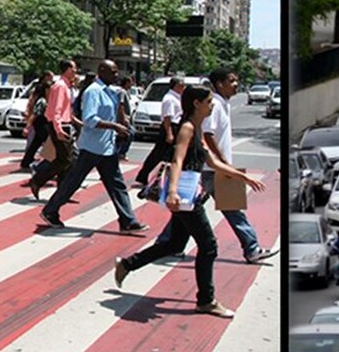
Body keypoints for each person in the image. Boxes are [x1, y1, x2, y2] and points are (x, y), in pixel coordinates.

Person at [114, 85, 266, 318]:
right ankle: (206, 300)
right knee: (209, 246)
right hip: (184, 196)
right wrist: (173, 191)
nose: (212, 104)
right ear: (196, 103)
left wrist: (241, 176)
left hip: (190, 195)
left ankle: (127, 264)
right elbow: (177, 160)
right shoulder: (186, 128)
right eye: (208, 101)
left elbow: (212, 162)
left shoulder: (196, 129)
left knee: (174, 244)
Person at [154, 68, 278, 263]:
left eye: (237, 80)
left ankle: (166, 243)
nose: (236, 84)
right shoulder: (214, 105)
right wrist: (223, 163)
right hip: (210, 170)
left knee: (188, 209)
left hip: (212, 168)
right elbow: (207, 136)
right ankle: (251, 248)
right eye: (232, 80)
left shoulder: (220, 104)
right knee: (231, 208)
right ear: (220, 84)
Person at [38, 60, 149, 233]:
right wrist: (114, 127)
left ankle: (128, 220)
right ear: (102, 71)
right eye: (113, 72)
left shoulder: (111, 92)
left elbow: (115, 112)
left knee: (117, 184)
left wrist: (121, 121)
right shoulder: (93, 92)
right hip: (91, 147)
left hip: (107, 147)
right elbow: (90, 119)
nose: (116, 75)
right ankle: (50, 210)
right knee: (73, 181)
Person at [28, 60, 79, 199]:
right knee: (66, 160)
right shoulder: (61, 86)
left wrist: (76, 122)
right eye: (74, 69)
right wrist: (58, 129)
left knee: (67, 159)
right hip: (59, 125)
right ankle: (38, 180)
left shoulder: (65, 86)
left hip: (64, 125)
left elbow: (64, 109)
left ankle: (61, 193)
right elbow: (56, 110)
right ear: (68, 69)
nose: (76, 72)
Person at [136, 77, 185, 186]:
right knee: (158, 154)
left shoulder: (177, 97)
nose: (183, 87)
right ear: (175, 85)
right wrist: (169, 133)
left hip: (176, 126)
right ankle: (143, 176)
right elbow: (167, 118)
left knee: (171, 155)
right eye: (181, 85)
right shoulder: (170, 98)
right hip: (170, 127)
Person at [20, 71, 54, 169]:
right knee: (49, 143)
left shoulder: (48, 100)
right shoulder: (42, 101)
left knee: (36, 142)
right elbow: (34, 114)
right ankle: (45, 164)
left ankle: (26, 161)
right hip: (40, 124)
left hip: (43, 123)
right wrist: (27, 127)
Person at [113, 76, 134, 160]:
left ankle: (119, 152)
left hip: (125, 118)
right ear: (127, 83)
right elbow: (121, 105)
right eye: (130, 82)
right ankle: (120, 153)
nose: (132, 84)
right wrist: (123, 118)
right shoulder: (122, 92)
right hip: (123, 118)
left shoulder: (125, 92)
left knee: (123, 136)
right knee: (130, 133)